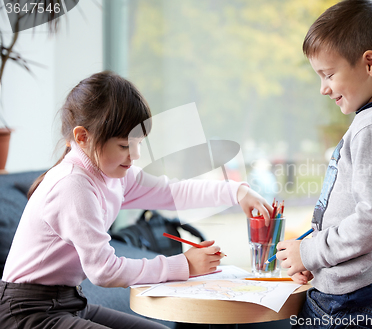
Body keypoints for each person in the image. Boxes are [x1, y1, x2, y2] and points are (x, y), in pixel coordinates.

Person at [0, 71, 272, 329]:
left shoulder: (112, 174)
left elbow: (172, 192)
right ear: (83, 137)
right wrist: (184, 265)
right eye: (124, 146)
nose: (136, 155)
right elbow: (104, 270)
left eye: (140, 143)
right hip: (27, 312)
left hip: (69, 301)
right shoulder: (73, 185)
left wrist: (236, 192)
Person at [276, 1, 372, 328]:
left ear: (369, 63)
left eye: (328, 74)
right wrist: (314, 257)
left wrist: (311, 252)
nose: (324, 88)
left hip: (352, 303)